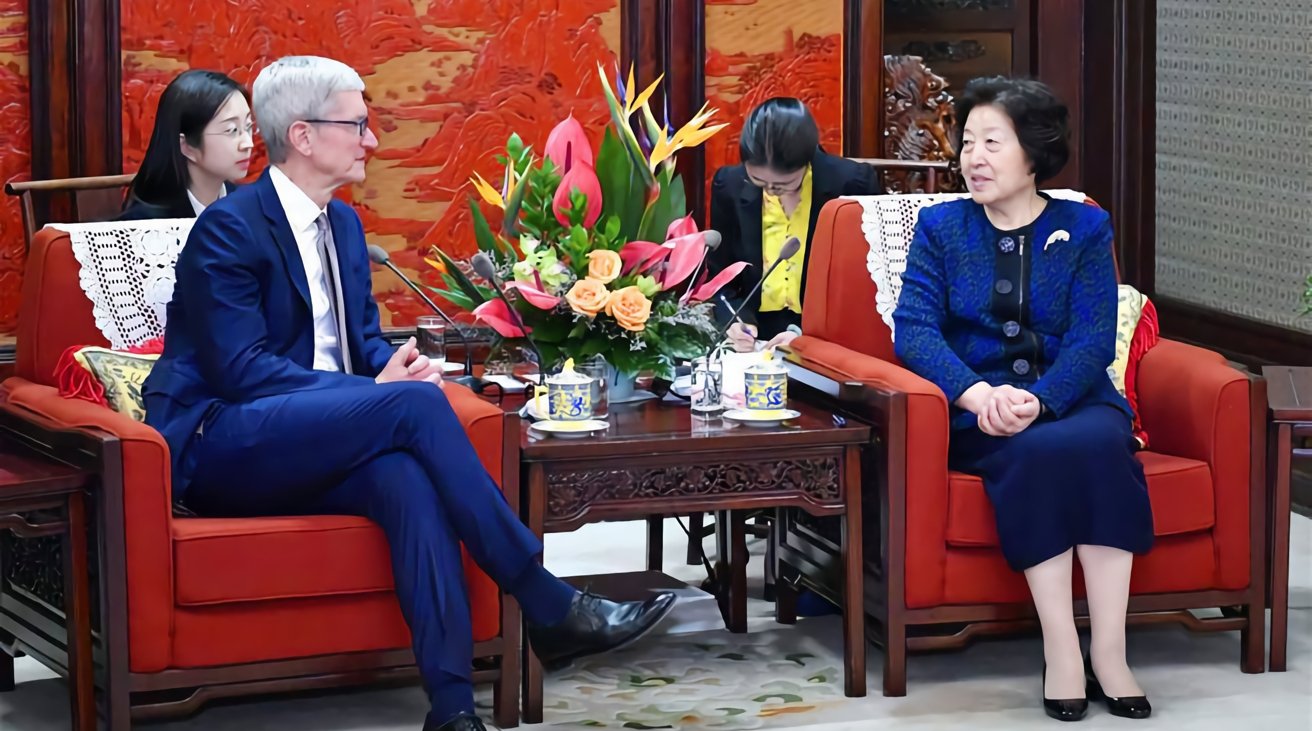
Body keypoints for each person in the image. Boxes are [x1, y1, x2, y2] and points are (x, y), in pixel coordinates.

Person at [142, 56, 675, 731]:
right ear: (304, 136)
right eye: (358, 124)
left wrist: (391, 365)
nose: (370, 140)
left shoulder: (342, 227)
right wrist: (373, 391)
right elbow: (241, 370)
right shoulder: (230, 228)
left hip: (311, 435)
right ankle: (544, 598)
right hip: (220, 441)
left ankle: (452, 711)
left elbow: (363, 344)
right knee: (413, 407)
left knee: (404, 480)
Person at [893, 77, 1153, 722]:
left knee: (1093, 443)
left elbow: (1095, 338)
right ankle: (1063, 650)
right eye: (968, 143)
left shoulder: (1085, 227)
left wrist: (1041, 398)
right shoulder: (940, 227)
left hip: (1073, 398)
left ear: (1033, 152)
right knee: (1038, 454)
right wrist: (977, 394)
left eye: (992, 143)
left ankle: (1112, 654)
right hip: (977, 407)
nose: (973, 157)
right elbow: (915, 330)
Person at [708, 97, 882, 352]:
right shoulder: (730, 184)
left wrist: (808, 337)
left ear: (806, 162)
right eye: (759, 181)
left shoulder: (852, 184)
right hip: (755, 333)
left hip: (825, 336)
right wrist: (734, 320)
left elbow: (866, 284)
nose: (771, 191)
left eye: (782, 184)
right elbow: (720, 278)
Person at [120, 70, 254, 220]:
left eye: (248, 127)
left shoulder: (250, 206)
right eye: (232, 130)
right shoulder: (148, 226)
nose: (248, 144)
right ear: (186, 146)